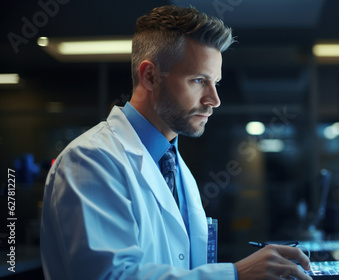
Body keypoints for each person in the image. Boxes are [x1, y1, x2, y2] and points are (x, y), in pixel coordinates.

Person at [40, 5, 312, 280]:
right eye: (198, 80)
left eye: (215, 82)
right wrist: (235, 274)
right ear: (150, 76)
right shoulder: (90, 159)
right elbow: (109, 276)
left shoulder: (174, 167)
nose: (214, 100)